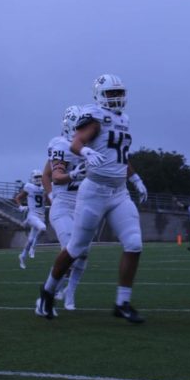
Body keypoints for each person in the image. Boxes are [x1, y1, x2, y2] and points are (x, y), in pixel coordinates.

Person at [36, 74, 148, 323]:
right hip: (94, 191)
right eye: (111, 93)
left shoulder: (124, 120)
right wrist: (85, 150)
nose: (116, 98)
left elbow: (119, 156)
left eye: (119, 93)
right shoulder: (95, 117)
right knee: (76, 248)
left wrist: (136, 179)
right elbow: (76, 143)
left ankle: (122, 302)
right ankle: (47, 290)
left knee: (134, 244)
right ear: (99, 95)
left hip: (119, 192)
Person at [43, 105, 89, 310]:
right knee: (71, 250)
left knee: (83, 253)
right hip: (63, 206)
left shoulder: (90, 147)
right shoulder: (60, 146)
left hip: (84, 207)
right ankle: (48, 294)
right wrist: (51, 195)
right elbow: (50, 175)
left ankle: (69, 292)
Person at [14, 169, 49, 269]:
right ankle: (34, 247)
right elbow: (18, 198)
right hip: (32, 215)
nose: (38, 179)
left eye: (40, 177)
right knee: (42, 228)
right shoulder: (29, 187)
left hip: (41, 216)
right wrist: (20, 206)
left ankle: (22, 256)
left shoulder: (44, 187)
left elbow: (46, 200)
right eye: (36, 177)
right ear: (32, 178)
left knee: (29, 240)